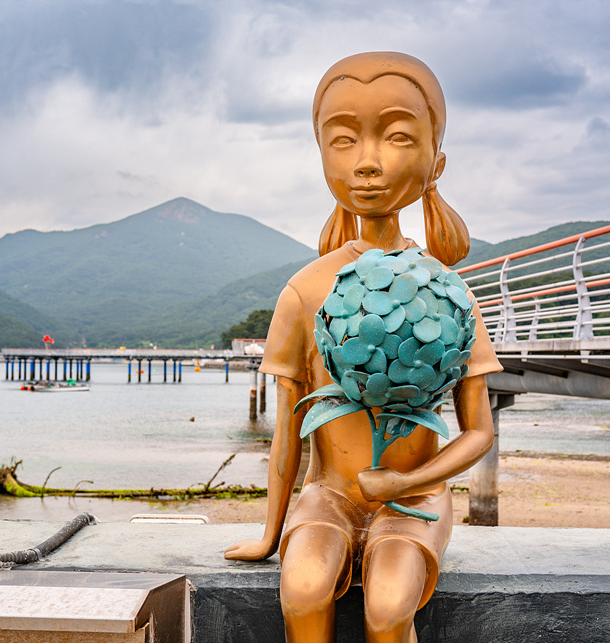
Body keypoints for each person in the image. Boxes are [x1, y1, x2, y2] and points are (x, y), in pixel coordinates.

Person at [224, 52, 502, 643]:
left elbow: (479, 430)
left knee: (388, 606)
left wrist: (405, 485)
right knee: (301, 590)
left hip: (415, 496)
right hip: (329, 497)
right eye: (343, 140)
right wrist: (271, 534)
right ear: (322, 156)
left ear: (437, 161)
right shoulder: (304, 291)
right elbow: (287, 432)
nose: (369, 163)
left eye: (399, 137)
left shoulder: (448, 292)